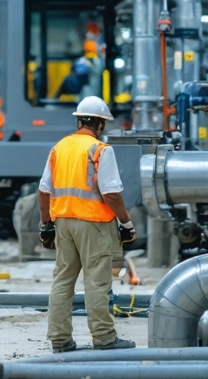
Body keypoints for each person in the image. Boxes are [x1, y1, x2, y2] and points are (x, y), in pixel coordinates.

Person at [37, 96, 136, 353]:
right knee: (97, 282)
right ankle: (104, 338)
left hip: (63, 223)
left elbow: (44, 192)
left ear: (80, 120)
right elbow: (111, 194)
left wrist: (46, 224)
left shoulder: (60, 147)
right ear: (100, 123)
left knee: (62, 281)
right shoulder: (101, 150)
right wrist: (126, 222)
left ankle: (60, 340)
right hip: (94, 224)